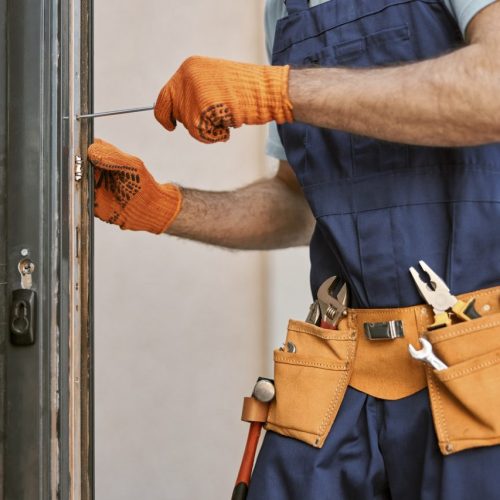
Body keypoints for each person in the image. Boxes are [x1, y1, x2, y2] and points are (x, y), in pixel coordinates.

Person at [88, 0, 500, 498]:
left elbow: (491, 89)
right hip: (344, 374)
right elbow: (298, 202)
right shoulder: (285, 10)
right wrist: (166, 208)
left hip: (477, 374)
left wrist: (279, 91)